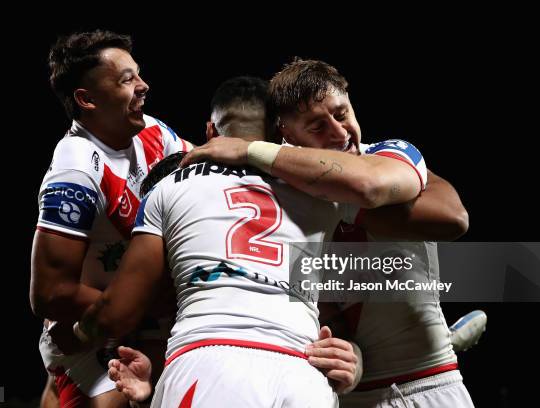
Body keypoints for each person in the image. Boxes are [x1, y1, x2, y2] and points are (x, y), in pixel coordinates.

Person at [72, 75, 428, 407]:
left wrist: (80, 329)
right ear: (280, 133)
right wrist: (354, 355)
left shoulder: (170, 185)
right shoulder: (322, 187)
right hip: (302, 371)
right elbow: (447, 219)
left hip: (206, 358)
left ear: (211, 131)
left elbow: (120, 310)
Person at [179, 59, 475, 407]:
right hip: (344, 399)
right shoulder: (281, 202)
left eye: (342, 113)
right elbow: (326, 318)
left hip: (429, 386)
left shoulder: (387, 154)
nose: (339, 132)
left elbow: (450, 218)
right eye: (318, 126)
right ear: (286, 134)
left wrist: (252, 151)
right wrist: (351, 357)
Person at [30, 29, 191, 408]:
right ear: (86, 99)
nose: (143, 86)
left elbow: (206, 176)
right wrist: (147, 301)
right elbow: (48, 293)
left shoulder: (151, 131)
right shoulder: (76, 169)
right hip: (90, 340)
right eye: (126, 79)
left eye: (138, 74)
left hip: (136, 323)